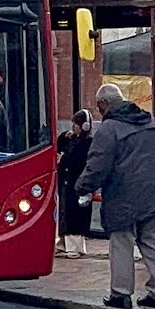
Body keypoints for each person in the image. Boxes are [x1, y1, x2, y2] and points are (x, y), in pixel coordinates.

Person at [75, 83, 155, 309]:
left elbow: (97, 165)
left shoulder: (109, 128)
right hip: (153, 194)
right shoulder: (151, 122)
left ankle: (121, 294)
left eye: (99, 107)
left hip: (122, 196)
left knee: (121, 244)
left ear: (104, 104)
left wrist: (82, 187)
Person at [56, 109, 94, 257]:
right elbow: (60, 147)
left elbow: (78, 161)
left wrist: (63, 160)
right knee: (65, 211)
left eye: (75, 125)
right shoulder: (72, 139)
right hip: (67, 180)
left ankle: (75, 247)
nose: (73, 127)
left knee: (74, 213)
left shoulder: (87, 143)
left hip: (77, 181)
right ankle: (65, 243)